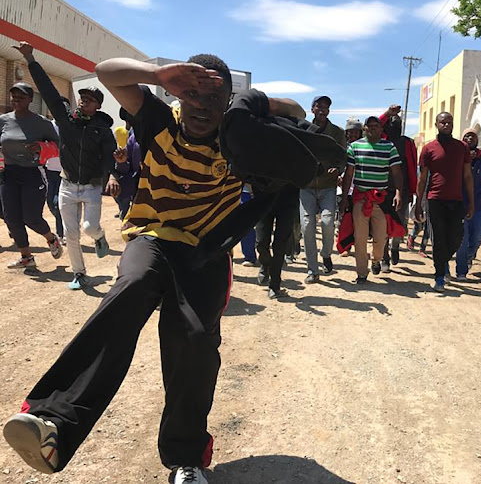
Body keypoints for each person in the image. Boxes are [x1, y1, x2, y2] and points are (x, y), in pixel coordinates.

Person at [1, 54, 305, 484]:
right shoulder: (159, 120)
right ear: (178, 93)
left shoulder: (242, 138)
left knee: (195, 341)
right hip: (154, 237)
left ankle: (186, 459)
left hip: (206, 253)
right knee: (134, 283)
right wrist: (156, 76)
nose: (201, 106)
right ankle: (53, 423)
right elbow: (108, 72)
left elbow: (296, 110)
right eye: (192, 93)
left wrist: (249, 104)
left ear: (228, 104)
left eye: (213, 98)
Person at [17, 42, 120, 290]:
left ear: (98, 106)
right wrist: (31, 58)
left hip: (92, 186)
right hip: (67, 185)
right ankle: (80, 273)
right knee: (71, 235)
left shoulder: (103, 130)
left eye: (91, 99)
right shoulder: (65, 121)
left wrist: (112, 175)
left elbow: (109, 155)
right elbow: (49, 91)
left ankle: (99, 236)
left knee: (89, 227)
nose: (84, 101)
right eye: (83, 97)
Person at [0, 81, 62, 269]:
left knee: (31, 217)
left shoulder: (41, 123)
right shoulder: (3, 120)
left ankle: (51, 238)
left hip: (32, 172)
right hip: (8, 173)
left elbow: (59, 146)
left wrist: (41, 147)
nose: (16, 98)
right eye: (13, 95)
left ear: (30, 99)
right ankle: (26, 257)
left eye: (21, 95)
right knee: (11, 217)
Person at [414, 112, 474, 292]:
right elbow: (422, 179)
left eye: (449, 122)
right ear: (436, 124)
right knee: (439, 239)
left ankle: (442, 260)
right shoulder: (428, 149)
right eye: (443, 122)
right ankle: (439, 276)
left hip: (456, 200)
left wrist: (471, 202)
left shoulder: (461, 147)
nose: (446, 125)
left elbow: (467, 175)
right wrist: (418, 204)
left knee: (457, 237)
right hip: (435, 200)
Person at [340, 116, 403, 283]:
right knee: (360, 238)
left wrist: (398, 193)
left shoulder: (389, 147)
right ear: (365, 129)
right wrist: (345, 198)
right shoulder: (355, 147)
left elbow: (396, 172)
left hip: (380, 200)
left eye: (376, 126)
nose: (373, 129)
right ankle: (362, 273)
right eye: (369, 127)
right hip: (360, 198)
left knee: (381, 237)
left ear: (381, 129)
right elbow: (349, 175)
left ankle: (377, 259)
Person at [300, 95, 345, 284]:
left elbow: (343, 156)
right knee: (307, 226)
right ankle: (313, 270)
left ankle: (326, 254)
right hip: (306, 186)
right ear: (312, 109)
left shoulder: (337, 132)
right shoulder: (303, 129)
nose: (322, 109)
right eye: (319, 106)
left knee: (327, 223)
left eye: (326, 107)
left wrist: (339, 168)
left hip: (327, 185)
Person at [380, 108, 417, 271]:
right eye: (391, 122)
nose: (395, 125)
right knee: (382, 225)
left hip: (403, 189)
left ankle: (395, 246)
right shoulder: (381, 141)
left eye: (398, 122)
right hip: (382, 189)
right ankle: (384, 256)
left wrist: (412, 191)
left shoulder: (408, 142)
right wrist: (387, 113)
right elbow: (376, 122)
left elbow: (412, 165)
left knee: (400, 223)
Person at [455, 129, 481, 280]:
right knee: (463, 240)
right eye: (467, 136)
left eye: (473, 136)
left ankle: (469, 257)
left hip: (479, 207)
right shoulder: (456, 156)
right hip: (460, 205)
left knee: (477, 239)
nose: (470, 138)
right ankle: (461, 271)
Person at [255, 182, 300, 298]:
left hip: (288, 201)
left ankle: (275, 284)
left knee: (280, 245)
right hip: (265, 199)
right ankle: (265, 264)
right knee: (261, 242)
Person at [113, 123, 142, 220]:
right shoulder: (133, 135)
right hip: (138, 192)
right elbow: (127, 168)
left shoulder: (166, 131)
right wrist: (122, 162)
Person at [43, 112, 64, 241]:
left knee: (58, 203)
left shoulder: (69, 126)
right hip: (50, 170)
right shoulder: (47, 126)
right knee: (50, 202)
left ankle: (61, 233)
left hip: (65, 171)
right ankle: (62, 222)